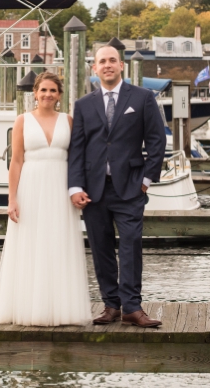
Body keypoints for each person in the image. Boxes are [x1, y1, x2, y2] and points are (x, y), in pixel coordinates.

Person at [66, 43, 168, 328]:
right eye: (102, 61)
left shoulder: (143, 97)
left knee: (131, 245)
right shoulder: (84, 105)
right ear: (94, 68)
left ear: (121, 65)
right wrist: (75, 187)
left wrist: (146, 180)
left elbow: (157, 141)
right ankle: (111, 304)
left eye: (113, 60)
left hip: (131, 187)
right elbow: (77, 148)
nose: (108, 65)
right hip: (94, 190)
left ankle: (132, 308)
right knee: (100, 247)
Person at [0, 73, 91, 326]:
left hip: (60, 187)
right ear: (35, 93)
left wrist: (77, 189)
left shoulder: (68, 120)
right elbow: (16, 161)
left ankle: (62, 309)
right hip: (31, 187)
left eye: (53, 91)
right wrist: (11, 199)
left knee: (59, 243)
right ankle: (27, 307)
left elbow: (77, 159)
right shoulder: (22, 121)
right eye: (43, 90)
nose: (48, 95)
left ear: (59, 95)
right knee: (30, 244)